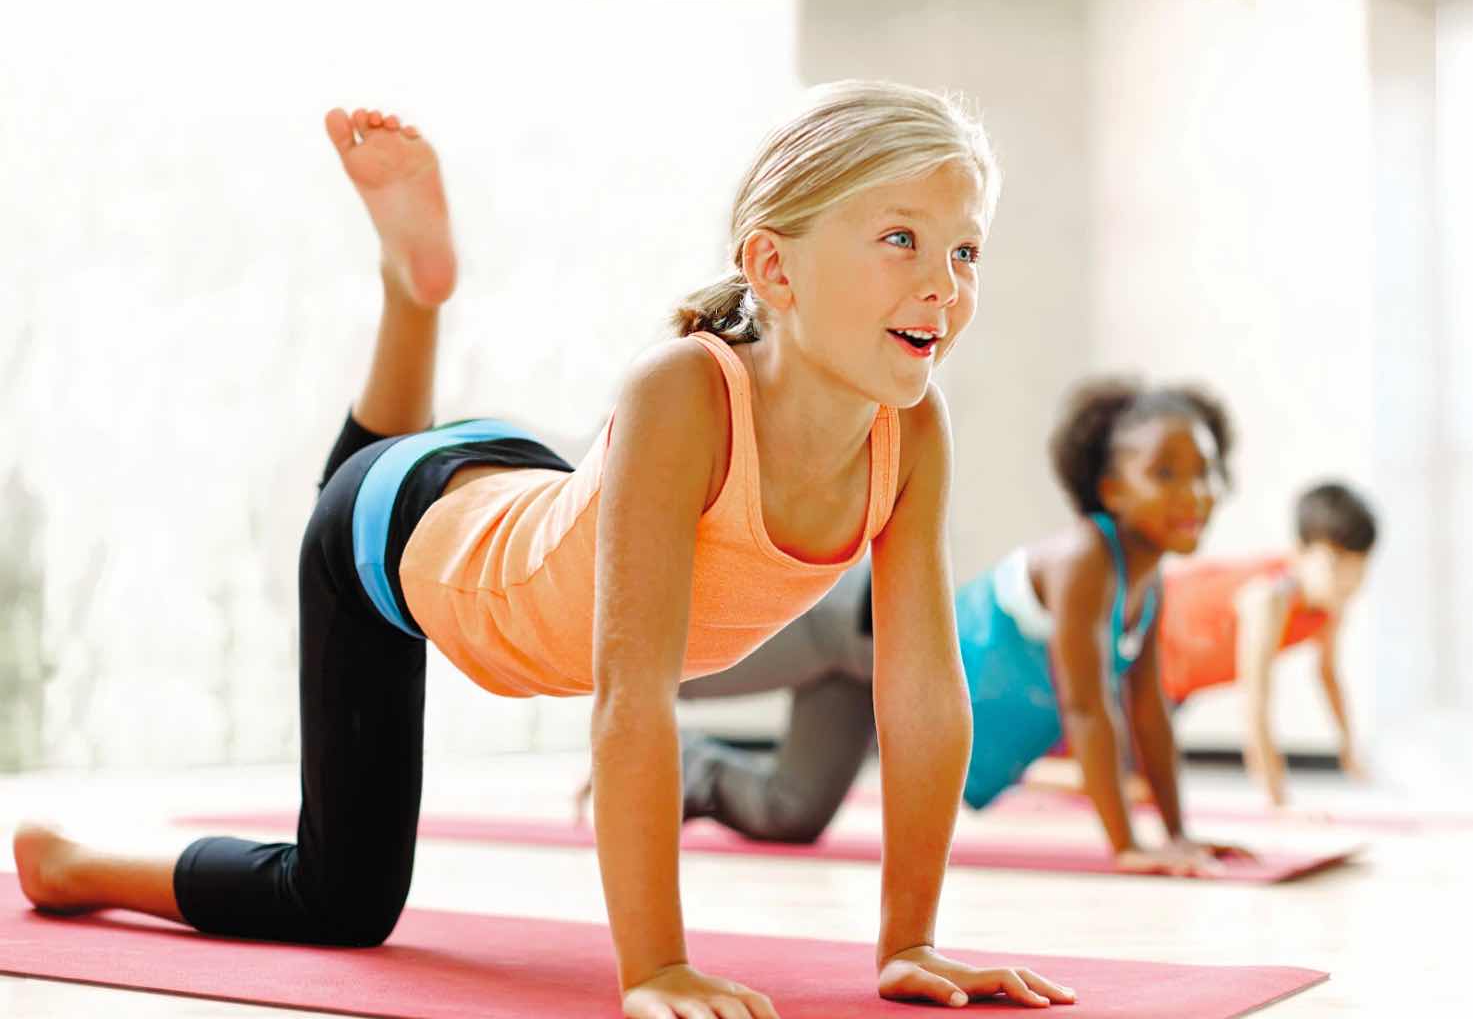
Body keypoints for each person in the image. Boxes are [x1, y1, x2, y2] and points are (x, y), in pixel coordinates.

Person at [12, 84, 1080, 1017]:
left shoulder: (912, 427)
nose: (944, 281)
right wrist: (655, 962)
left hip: (512, 493)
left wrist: (909, 943)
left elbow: (924, 687)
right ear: (774, 266)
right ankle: (75, 861)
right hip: (402, 547)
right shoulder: (684, 389)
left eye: (965, 248)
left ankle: (413, 295)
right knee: (340, 901)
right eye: (901, 238)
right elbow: (630, 697)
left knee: (400, 472)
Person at [676, 379, 1249, 876]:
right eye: (1166, 473)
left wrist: (1178, 834)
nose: (1194, 492)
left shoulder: (1148, 588)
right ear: (1111, 490)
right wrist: (1128, 847)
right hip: (858, 625)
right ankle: (631, 730)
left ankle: (686, 767)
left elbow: (1147, 713)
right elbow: (1088, 709)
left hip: (882, 671)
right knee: (668, 674)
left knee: (790, 815)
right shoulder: (1086, 561)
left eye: (1205, 471)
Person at [1158, 481, 1377, 807]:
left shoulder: (1331, 605)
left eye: (1358, 569)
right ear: (1300, 552)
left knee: (1147, 784)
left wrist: (1348, 748)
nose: (1347, 580)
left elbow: (1328, 674)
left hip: (1175, 683)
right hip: (1140, 649)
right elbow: (1256, 698)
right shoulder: (1269, 597)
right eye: (1335, 563)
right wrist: (1277, 799)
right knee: (1132, 787)